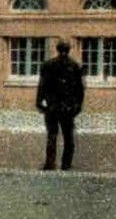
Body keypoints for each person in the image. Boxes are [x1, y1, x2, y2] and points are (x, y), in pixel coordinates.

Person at [36, 39, 85, 171]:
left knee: (52, 135)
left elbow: (42, 86)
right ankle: (66, 164)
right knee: (68, 136)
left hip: (52, 106)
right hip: (67, 107)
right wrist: (78, 106)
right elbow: (80, 90)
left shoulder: (48, 65)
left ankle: (50, 163)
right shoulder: (74, 66)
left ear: (57, 49)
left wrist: (40, 102)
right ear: (69, 50)